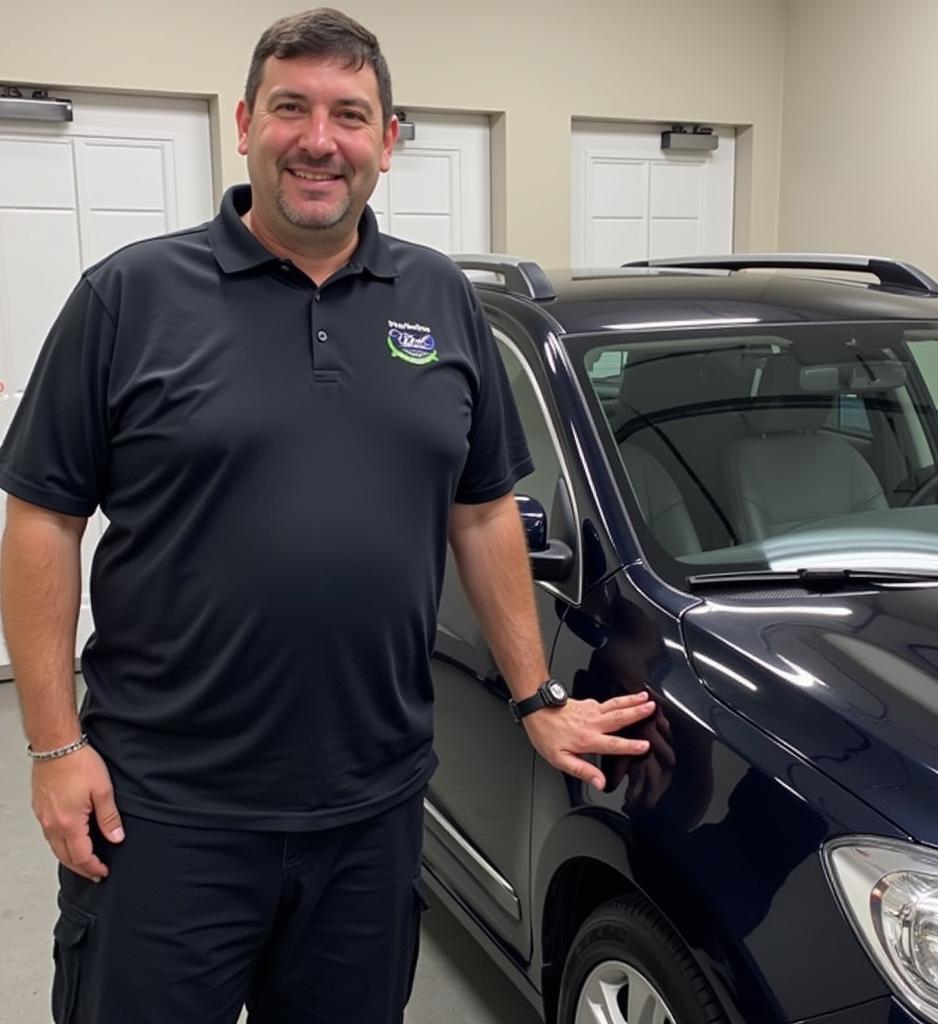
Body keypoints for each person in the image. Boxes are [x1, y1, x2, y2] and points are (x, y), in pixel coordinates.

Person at [0, 8, 656, 1023]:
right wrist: (52, 746)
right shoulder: (130, 295)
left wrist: (534, 696)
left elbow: (482, 508)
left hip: (375, 805)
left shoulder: (439, 300)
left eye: (349, 114)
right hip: (164, 807)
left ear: (387, 140)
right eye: (291, 108)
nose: (319, 139)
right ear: (244, 123)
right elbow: (43, 516)